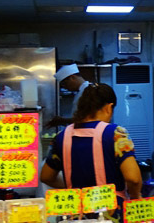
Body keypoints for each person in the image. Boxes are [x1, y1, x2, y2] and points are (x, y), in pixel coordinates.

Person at [40, 83, 143, 211]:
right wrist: (134, 196)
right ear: (109, 108)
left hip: (76, 216)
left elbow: (46, 177)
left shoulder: (61, 136)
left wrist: (76, 191)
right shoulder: (116, 134)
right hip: (111, 214)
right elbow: (133, 178)